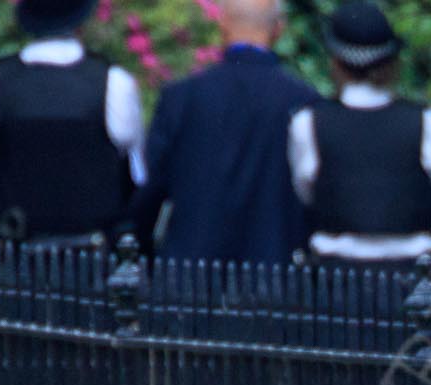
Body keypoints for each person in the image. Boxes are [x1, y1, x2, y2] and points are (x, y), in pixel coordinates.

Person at [131, 0, 316, 263]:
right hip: (274, 276)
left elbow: (149, 189)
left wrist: (142, 252)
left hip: (189, 276)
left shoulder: (182, 98)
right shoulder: (302, 101)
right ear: (279, 29)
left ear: (223, 24)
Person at [286, 0, 431, 269]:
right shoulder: (427, 122)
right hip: (414, 275)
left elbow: (306, 192)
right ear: (392, 62)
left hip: (335, 278)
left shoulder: (308, 122)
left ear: (335, 61)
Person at [0, 0, 143, 246]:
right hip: (92, 264)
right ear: (83, 18)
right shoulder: (114, 82)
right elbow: (136, 174)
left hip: (11, 263)